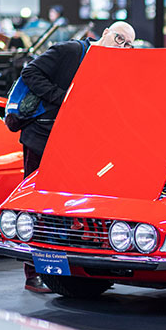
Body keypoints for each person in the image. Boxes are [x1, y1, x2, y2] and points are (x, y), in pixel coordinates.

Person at [19, 21, 136, 293]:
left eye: (129, 44)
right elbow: (30, 72)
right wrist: (62, 97)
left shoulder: (113, 67)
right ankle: (33, 273)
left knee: (73, 209)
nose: (123, 46)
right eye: (120, 38)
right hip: (42, 138)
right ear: (105, 33)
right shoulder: (72, 51)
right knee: (37, 205)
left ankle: (75, 272)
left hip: (77, 142)